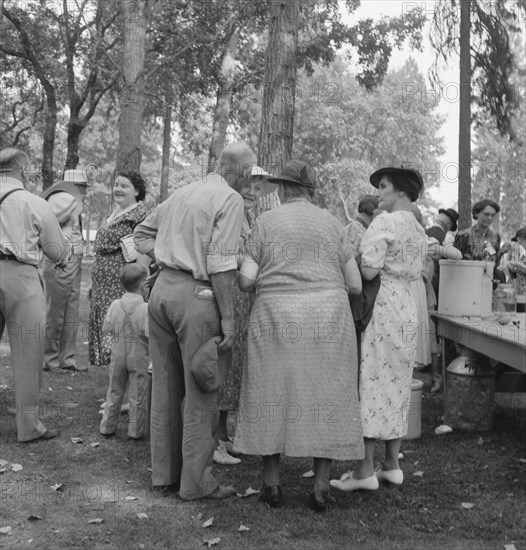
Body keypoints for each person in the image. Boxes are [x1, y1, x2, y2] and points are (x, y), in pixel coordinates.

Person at [234, 159, 364, 512]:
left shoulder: (264, 222)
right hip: (328, 317)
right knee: (328, 395)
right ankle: (321, 487)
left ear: (282, 188)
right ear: (310, 190)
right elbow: (354, 284)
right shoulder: (334, 224)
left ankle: (272, 484)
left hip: (277, 314)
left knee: (270, 391)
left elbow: (246, 281)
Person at [134, 142, 255, 500]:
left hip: (161, 295)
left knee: (166, 388)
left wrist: (164, 260)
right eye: (250, 174)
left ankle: (164, 476)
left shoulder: (182, 192)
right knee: (203, 389)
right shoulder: (230, 200)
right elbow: (220, 264)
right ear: (242, 172)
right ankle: (196, 483)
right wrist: (229, 319)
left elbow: (141, 233)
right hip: (198, 296)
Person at [330, 166, 426, 492]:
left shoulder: (384, 222)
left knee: (371, 378)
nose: (379, 193)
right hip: (407, 305)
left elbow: (368, 272)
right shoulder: (416, 226)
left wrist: (350, 262)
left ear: (400, 191)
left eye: (383, 187)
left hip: (381, 303)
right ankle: (393, 464)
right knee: (397, 380)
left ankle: (364, 471)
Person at [0, 148, 70, 442]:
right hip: (20, 276)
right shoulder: (33, 202)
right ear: (23, 170)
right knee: (28, 352)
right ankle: (28, 427)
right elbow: (56, 251)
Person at [214, 165, 274, 466]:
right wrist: (251, 261)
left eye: (258, 188)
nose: (252, 192)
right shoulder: (227, 212)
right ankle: (212, 439)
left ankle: (224, 434)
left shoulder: (251, 217)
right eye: (249, 185)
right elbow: (220, 252)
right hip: (229, 294)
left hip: (246, 297)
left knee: (237, 365)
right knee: (224, 363)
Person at [88, 171, 152, 366]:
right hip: (103, 285)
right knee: (110, 329)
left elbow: (143, 249)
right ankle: (113, 388)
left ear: (137, 191)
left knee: (123, 335)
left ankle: (123, 388)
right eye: (116, 184)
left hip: (121, 283)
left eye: (124, 185)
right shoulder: (115, 212)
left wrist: (140, 282)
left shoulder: (140, 214)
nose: (118, 189)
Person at [42, 169, 91, 372]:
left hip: (74, 258)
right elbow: (47, 225)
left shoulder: (72, 199)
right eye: (83, 187)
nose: (85, 191)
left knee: (71, 311)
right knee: (56, 311)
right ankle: (50, 359)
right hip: (62, 259)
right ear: (76, 186)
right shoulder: (63, 198)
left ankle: (67, 359)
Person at [99, 263, 149, 440]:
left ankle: (107, 426)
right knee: (138, 393)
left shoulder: (115, 304)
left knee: (114, 390)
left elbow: (106, 328)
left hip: (118, 353)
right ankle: (135, 431)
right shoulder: (145, 309)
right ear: (143, 285)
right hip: (138, 355)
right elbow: (149, 334)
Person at [454, 199, 506, 282]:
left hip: (487, 282)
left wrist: (500, 253)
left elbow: (493, 262)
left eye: (493, 215)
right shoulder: (463, 235)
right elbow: (454, 262)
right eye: (486, 214)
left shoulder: (495, 237)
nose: (490, 218)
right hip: (466, 281)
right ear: (476, 214)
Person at [500, 227, 526, 295]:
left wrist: (519, 265)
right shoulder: (521, 254)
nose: (519, 245)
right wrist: (512, 268)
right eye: (518, 242)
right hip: (521, 291)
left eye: (521, 242)